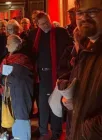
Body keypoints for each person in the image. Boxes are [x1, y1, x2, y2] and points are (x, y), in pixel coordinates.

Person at [28, 11, 73, 140]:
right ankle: (42, 131)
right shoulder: (33, 35)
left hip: (57, 74)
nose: (46, 25)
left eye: (47, 22)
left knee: (56, 104)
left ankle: (56, 132)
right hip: (41, 75)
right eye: (42, 24)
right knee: (42, 104)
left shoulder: (60, 33)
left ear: (50, 19)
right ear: (37, 25)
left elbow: (70, 49)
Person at [62, 0, 102, 139]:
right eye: (80, 13)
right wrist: (75, 101)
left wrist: (86, 129)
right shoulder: (85, 49)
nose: (84, 17)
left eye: (92, 12)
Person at [0, 35, 34, 140]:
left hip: (20, 94)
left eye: (8, 43)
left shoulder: (21, 59)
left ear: (16, 44)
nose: (6, 45)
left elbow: (13, 78)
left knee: (21, 119)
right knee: (17, 119)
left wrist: (2, 80)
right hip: (15, 94)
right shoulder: (11, 58)